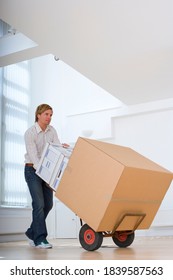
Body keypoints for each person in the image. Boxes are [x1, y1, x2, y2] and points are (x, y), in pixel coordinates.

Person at [24, 104, 66, 249]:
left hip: (46, 171)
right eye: (47, 114)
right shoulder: (30, 133)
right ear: (39, 115)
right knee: (39, 204)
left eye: (51, 115)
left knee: (48, 204)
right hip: (32, 170)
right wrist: (44, 173)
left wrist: (63, 148)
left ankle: (31, 232)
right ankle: (40, 239)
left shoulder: (51, 130)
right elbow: (34, 159)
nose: (49, 117)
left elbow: (56, 147)